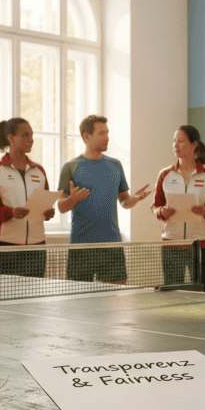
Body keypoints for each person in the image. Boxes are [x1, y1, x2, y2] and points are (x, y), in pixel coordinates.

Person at [57, 115, 152, 284]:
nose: (107, 137)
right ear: (87, 136)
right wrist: (72, 199)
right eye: (102, 133)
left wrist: (134, 199)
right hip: (81, 247)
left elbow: (124, 201)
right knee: (79, 303)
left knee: (113, 301)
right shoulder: (70, 167)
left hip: (112, 245)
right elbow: (61, 207)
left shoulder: (115, 165)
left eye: (107, 132)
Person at [0, 118, 55, 278]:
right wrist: (9, 212)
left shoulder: (39, 170)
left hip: (36, 248)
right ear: (11, 138)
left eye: (32, 135)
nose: (31, 139)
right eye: (25, 135)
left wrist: (48, 213)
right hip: (4, 248)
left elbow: (45, 202)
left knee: (33, 300)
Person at [151, 125, 205, 292]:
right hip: (171, 243)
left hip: (201, 245)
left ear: (194, 145)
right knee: (172, 292)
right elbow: (155, 205)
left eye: (181, 141)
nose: (175, 145)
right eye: (174, 141)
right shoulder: (165, 174)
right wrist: (161, 211)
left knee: (203, 293)